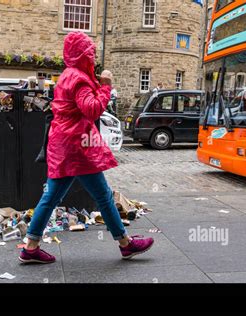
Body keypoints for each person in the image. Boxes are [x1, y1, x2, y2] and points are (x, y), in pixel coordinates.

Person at [19, 32, 154, 264]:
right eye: (90, 53)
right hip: (77, 148)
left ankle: (31, 246)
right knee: (102, 196)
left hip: (64, 144)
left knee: (51, 197)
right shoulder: (79, 79)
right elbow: (92, 109)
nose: (92, 58)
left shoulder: (67, 75)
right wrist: (106, 87)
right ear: (84, 55)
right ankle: (125, 244)